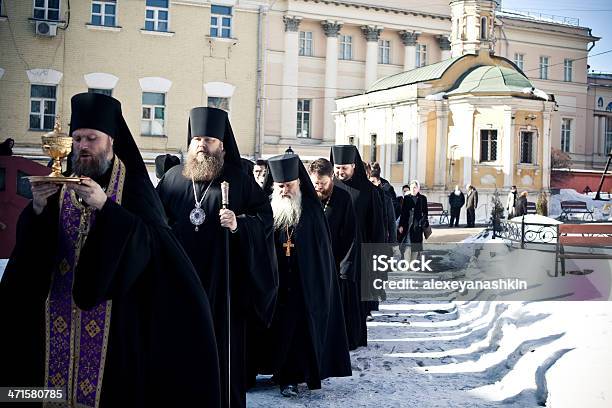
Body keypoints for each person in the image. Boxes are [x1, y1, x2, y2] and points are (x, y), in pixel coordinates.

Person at [0, 93, 221, 407]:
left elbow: (152, 246)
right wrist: (37, 208)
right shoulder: (57, 179)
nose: (84, 146)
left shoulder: (132, 186)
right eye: (77, 139)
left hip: (116, 323)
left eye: (92, 138)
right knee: (40, 393)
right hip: (55, 315)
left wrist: (105, 207)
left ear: (111, 141)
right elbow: (29, 260)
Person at [156, 107, 278, 408]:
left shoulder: (238, 179)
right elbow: (154, 222)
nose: (201, 145)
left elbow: (265, 218)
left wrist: (239, 224)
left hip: (225, 287)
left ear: (221, 144)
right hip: (180, 285)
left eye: (209, 139)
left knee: (223, 355)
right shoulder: (172, 179)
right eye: (197, 138)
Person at [257, 153, 351, 397]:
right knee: (276, 330)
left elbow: (320, 253)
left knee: (298, 331)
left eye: (289, 185)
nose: (285, 190)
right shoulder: (268, 208)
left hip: (302, 283)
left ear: (298, 184)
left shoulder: (310, 209)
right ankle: (277, 371)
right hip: (275, 284)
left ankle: (292, 376)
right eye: (281, 186)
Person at [308, 158, 363, 350]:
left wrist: (345, 267)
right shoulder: (307, 197)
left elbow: (350, 235)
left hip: (335, 262)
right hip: (312, 264)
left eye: (323, 183)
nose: (319, 187)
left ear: (331, 178)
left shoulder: (342, 198)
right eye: (316, 183)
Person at [331, 145, 385, 335]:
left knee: (356, 297)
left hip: (361, 251)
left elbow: (377, 226)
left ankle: (354, 334)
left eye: (344, 167)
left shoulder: (369, 191)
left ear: (354, 166)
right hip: (335, 249)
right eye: (337, 167)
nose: (340, 171)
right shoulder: (330, 188)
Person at [367, 162, 397, 243]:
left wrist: (393, 242)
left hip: (382, 235)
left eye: (373, 182)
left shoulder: (386, 195)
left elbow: (391, 220)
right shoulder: (366, 195)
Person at [398, 180, 429, 255]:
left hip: (417, 227)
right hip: (408, 225)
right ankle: (407, 265)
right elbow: (403, 213)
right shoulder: (407, 198)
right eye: (411, 187)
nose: (413, 189)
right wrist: (401, 225)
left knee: (415, 249)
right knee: (407, 246)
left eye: (415, 187)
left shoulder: (423, 198)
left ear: (418, 188)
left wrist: (423, 222)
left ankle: (412, 265)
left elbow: (425, 212)